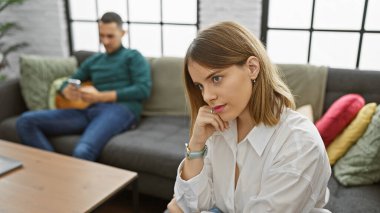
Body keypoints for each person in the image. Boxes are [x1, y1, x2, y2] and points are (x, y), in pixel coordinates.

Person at [167, 22, 331, 212]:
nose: (207, 96)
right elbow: (192, 204)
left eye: (216, 78)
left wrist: (180, 207)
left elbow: (180, 207)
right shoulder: (219, 127)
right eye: (200, 86)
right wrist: (196, 144)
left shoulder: (299, 144)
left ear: (252, 68)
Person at [16, 12, 152, 161]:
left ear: (122, 33)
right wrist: (66, 90)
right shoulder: (94, 60)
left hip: (121, 110)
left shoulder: (133, 57)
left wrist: (101, 96)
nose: (105, 41)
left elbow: (143, 90)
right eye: (101, 35)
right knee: (26, 121)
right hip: (89, 110)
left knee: (83, 151)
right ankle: (54, 169)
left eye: (110, 36)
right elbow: (69, 81)